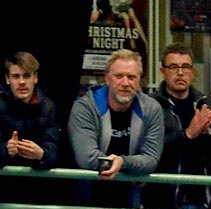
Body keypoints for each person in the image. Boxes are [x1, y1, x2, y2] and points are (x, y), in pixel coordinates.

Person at [69, 48, 167, 193]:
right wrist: (120, 164)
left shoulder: (151, 109)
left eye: (131, 77)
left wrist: (123, 162)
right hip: (87, 197)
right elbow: (86, 158)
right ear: (107, 79)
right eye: (119, 76)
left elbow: (151, 159)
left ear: (139, 80)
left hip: (130, 198)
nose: (125, 83)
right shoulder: (86, 107)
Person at [150, 43, 211, 207]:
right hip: (164, 203)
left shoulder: (207, 103)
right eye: (173, 67)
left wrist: (207, 132)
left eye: (185, 67)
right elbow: (150, 151)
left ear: (192, 72)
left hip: (203, 202)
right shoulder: (151, 105)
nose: (180, 73)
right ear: (163, 72)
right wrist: (187, 134)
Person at [0, 51, 62, 171]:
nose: (22, 82)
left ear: (35, 78)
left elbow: (55, 151)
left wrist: (41, 154)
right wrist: (6, 150)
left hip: (40, 181)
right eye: (16, 76)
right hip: (1, 181)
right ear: (8, 79)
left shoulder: (48, 107)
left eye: (27, 76)